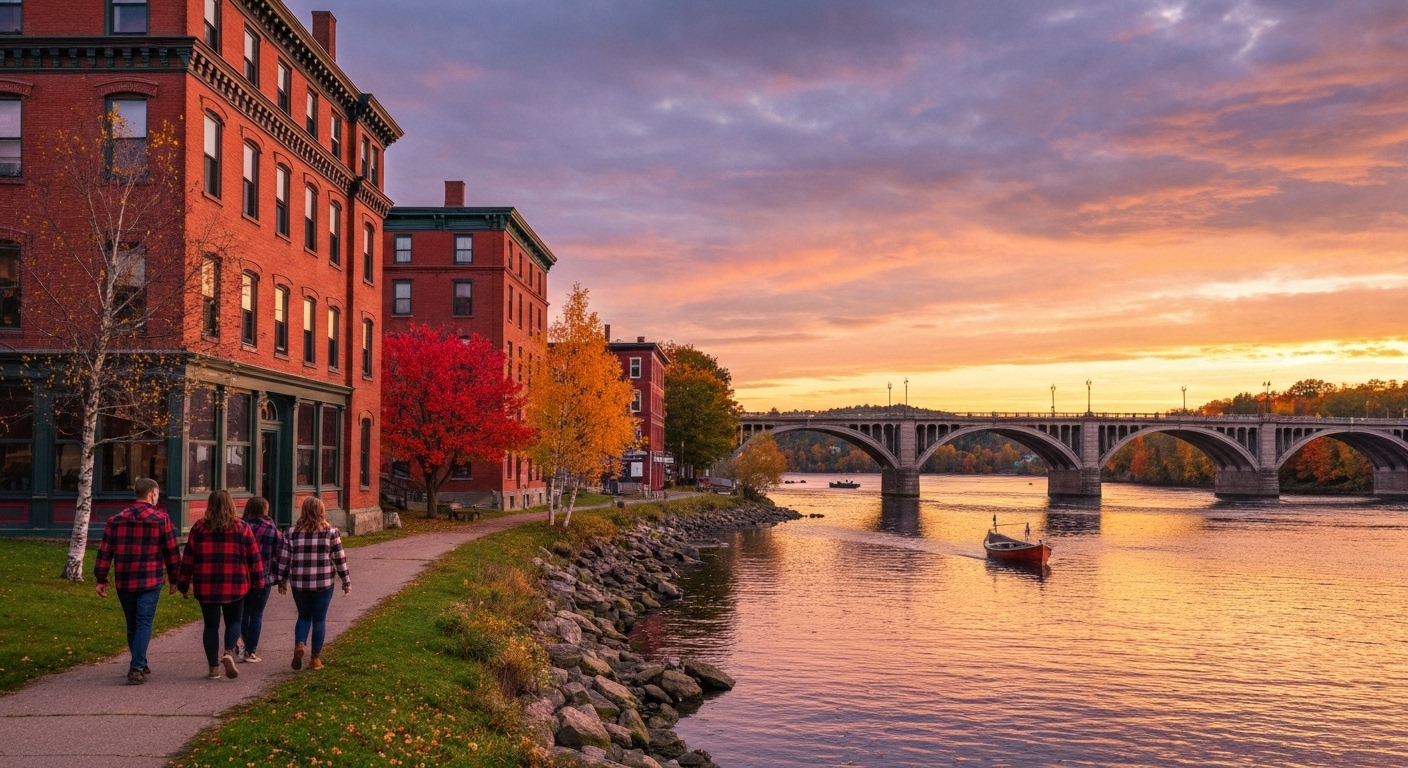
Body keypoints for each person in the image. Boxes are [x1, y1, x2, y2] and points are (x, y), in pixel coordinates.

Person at [94, 478, 181, 685]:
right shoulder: (161, 519)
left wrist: (101, 578)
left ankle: (139, 661)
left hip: (125, 578)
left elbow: (105, 551)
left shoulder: (116, 520)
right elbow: (171, 552)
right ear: (152, 494)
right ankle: (138, 666)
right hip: (150, 578)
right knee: (144, 621)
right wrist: (175, 578)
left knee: (132, 623)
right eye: (157, 494)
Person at [178, 490, 264, 680]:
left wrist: (183, 584)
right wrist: (259, 582)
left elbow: (188, 558)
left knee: (210, 626)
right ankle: (228, 652)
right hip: (235, 583)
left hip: (206, 584)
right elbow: (254, 557)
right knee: (234, 621)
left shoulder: (199, 528)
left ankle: (213, 668)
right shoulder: (241, 527)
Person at [277, 497, 351, 671]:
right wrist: (346, 581)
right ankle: (315, 659)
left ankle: (300, 644)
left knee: (303, 616)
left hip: (299, 583)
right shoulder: (331, 532)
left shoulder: (292, 533)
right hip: (323, 583)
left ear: (303, 512)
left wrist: (282, 579)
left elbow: (284, 559)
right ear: (321, 512)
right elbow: (340, 559)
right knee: (319, 619)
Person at [236, 496, 286, 663]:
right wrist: (279, 576)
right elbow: (282, 553)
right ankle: (251, 651)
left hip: (242, 577)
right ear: (265, 509)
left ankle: (241, 646)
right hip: (264, 576)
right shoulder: (272, 530)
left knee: (243, 613)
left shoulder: (240, 527)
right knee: (256, 614)